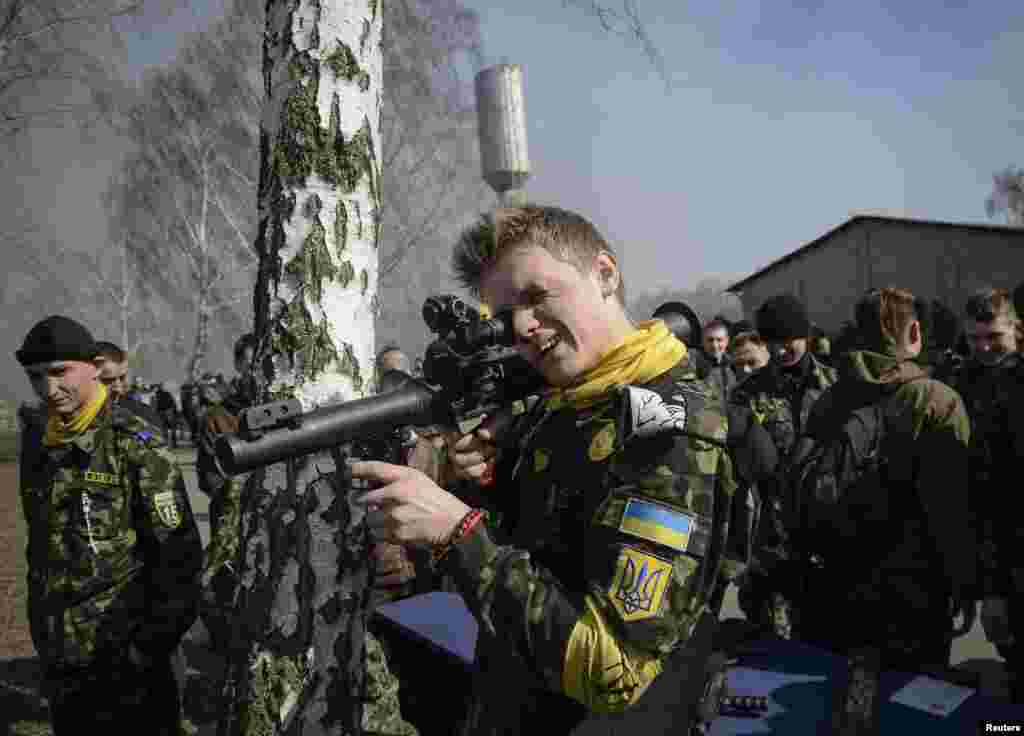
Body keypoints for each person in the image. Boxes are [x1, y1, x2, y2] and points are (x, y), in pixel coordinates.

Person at [351, 205, 737, 735]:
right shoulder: (568, 402)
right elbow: (541, 552)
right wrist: (482, 484)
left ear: (605, 273)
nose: (523, 327)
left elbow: (612, 669)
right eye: (506, 313)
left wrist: (457, 531)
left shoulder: (666, 431)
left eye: (537, 296)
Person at [15, 316, 202, 735]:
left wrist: (145, 649)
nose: (49, 389)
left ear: (92, 367)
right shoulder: (38, 441)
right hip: (63, 658)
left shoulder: (133, 441)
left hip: (128, 661)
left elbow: (180, 558)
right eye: (35, 377)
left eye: (60, 373)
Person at [792, 288, 975, 674]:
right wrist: (962, 583)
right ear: (914, 334)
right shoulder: (938, 400)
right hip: (914, 594)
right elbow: (951, 508)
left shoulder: (830, 398)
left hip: (832, 585)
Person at [729, 293, 837, 640]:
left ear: (804, 336)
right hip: (772, 541)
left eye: (787, 342)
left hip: (829, 535)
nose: (778, 352)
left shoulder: (835, 386)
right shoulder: (747, 394)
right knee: (774, 644)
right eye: (771, 343)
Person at [947, 288, 1024, 698]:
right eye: (975, 338)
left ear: (1016, 328)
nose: (984, 347)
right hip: (988, 543)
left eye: (994, 336)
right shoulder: (963, 382)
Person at [95, 341, 165, 431]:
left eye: (122, 378)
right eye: (108, 380)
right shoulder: (76, 417)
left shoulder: (143, 416)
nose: (118, 388)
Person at [702, 319, 738, 399]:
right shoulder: (697, 367)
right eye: (710, 340)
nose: (715, 345)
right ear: (703, 341)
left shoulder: (735, 366)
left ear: (727, 341)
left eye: (719, 340)